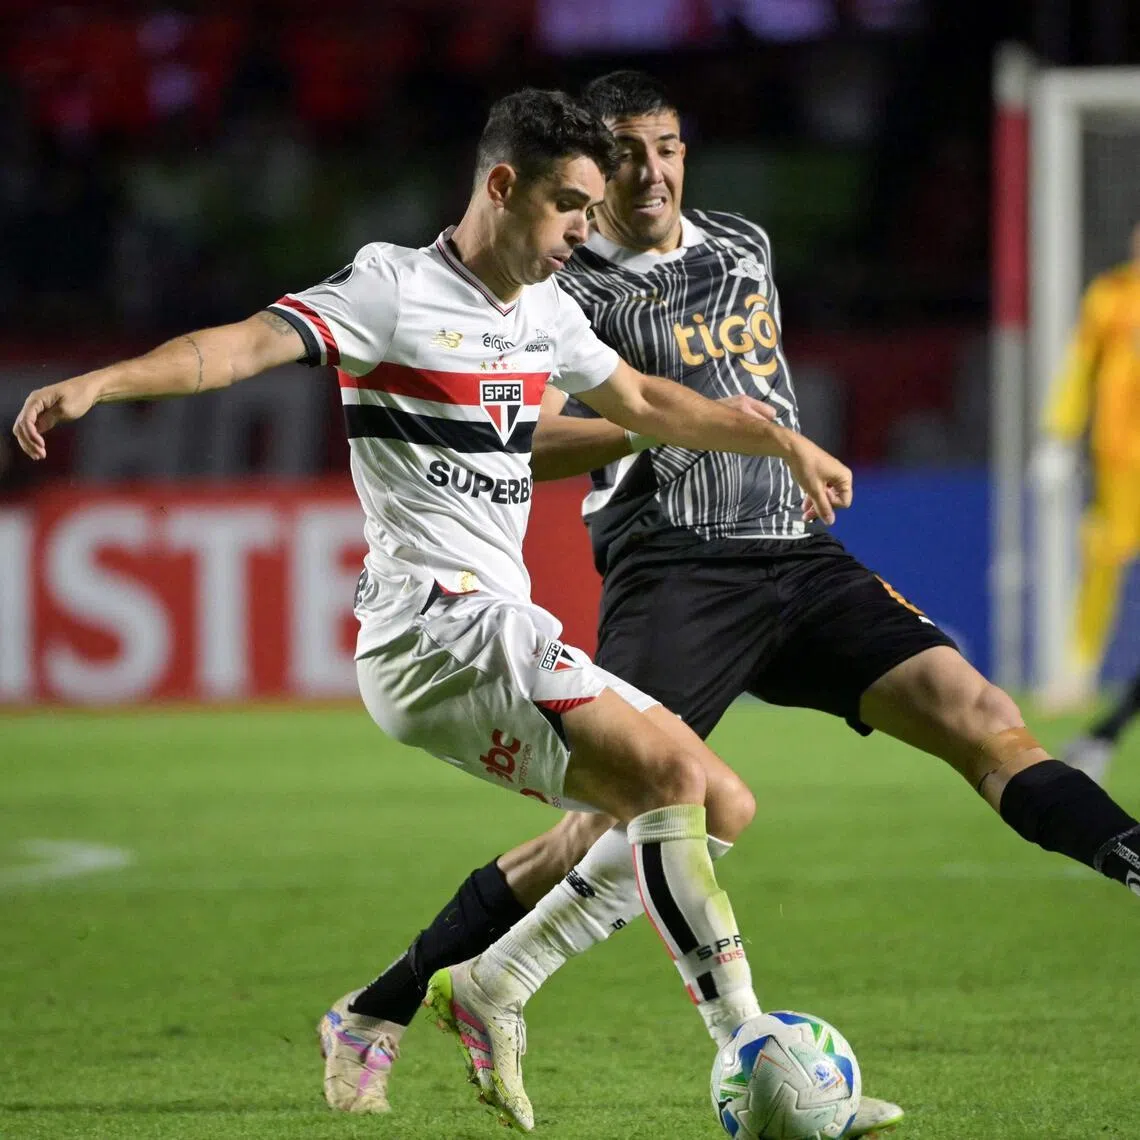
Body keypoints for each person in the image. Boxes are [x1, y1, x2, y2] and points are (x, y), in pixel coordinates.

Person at [11, 88, 857, 1134]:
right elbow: (236, 348)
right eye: (568, 205)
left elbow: (643, 401)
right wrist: (102, 383)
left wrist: (778, 439)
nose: (583, 230)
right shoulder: (393, 289)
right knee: (676, 780)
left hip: (494, 627)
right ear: (502, 185)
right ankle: (749, 1044)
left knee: (716, 805)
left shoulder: (546, 311)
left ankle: (432, 996)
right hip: (435, 626)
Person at [333, 72, 1140, 1134]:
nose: (651, 171)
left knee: (982, 715)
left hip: (797, 558)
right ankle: (391, 1000)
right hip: (675, 568)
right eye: (625, 154)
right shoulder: (560, 289)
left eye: (667, 147)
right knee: (614, 822)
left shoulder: (743, 247)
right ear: (590, 173)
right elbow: (515, 440)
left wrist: (772, 446)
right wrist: (654, 427)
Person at [1036, 223, 1140, 781]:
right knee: (1102, 556)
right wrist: (1059, 434)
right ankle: (1077, 672)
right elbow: (1080, 367)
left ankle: (1101, 730)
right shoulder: (1111, 296)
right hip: (1121, 459)